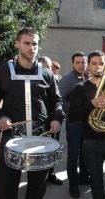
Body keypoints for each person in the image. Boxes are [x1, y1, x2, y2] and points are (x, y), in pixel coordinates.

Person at [0, 27, 64, 199]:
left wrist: (57, 119)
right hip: (12, 138)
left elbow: (57, 102)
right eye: (27, 43)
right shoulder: (3, 72)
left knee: (37, 188)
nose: (32, 48)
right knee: (5, 188)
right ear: (17, 44)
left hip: (41, 138)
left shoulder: (47, 74)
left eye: (35, 44)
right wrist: (0, 117)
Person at [69, 50, 105, 199]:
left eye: (101, 63)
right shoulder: (80, 88)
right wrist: (92, 104)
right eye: (94, 63)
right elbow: (73, 116)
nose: (98, 67)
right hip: (91, 142)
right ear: (88, 66)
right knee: (96, 183)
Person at [59, 52, 90, 198]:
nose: (81, 65)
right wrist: (77, 111)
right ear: (73, 64)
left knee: (85, 152)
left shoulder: (89, 78)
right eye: (78, 62)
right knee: (74, 154)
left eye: (83, 62)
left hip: (88, 123)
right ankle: (73, 184)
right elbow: (61, 101)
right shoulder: (67, 79)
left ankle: (84, 176)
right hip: (74, 124)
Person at [38, 56, 63, 186]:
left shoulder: (56, 79)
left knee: (53, 148)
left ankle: (50, 174)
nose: (48, 70)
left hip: (54, 120)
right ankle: (40, 175)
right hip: (42, 121)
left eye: (49, 67)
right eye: (44, 67)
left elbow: (58, 99)